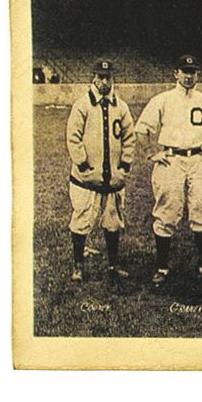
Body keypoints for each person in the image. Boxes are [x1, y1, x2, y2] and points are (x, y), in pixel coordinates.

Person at [135, 54, 202, 284]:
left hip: (199, 159)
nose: (189, 76)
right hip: (171, 159)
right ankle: (162, 268)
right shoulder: (163, 99)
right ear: (176, 74)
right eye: (184, 71)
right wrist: (152, 152)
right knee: (167, 212)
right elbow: (142, 130)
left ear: (198, 75)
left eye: (193, 72)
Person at [64, 59, 134, 281]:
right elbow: (73, 137)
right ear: (93, 77)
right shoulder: (82, 105)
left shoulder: (120, 106)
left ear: (113, 78)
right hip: (86, 178)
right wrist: (83, 165)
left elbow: (129, 137)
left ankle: (113, 265)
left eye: (108, 77)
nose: (104, 81)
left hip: (112, 177)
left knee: (112, 220)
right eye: (100, 77)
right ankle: (78, 266)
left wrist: (124, 165)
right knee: (83, 218)